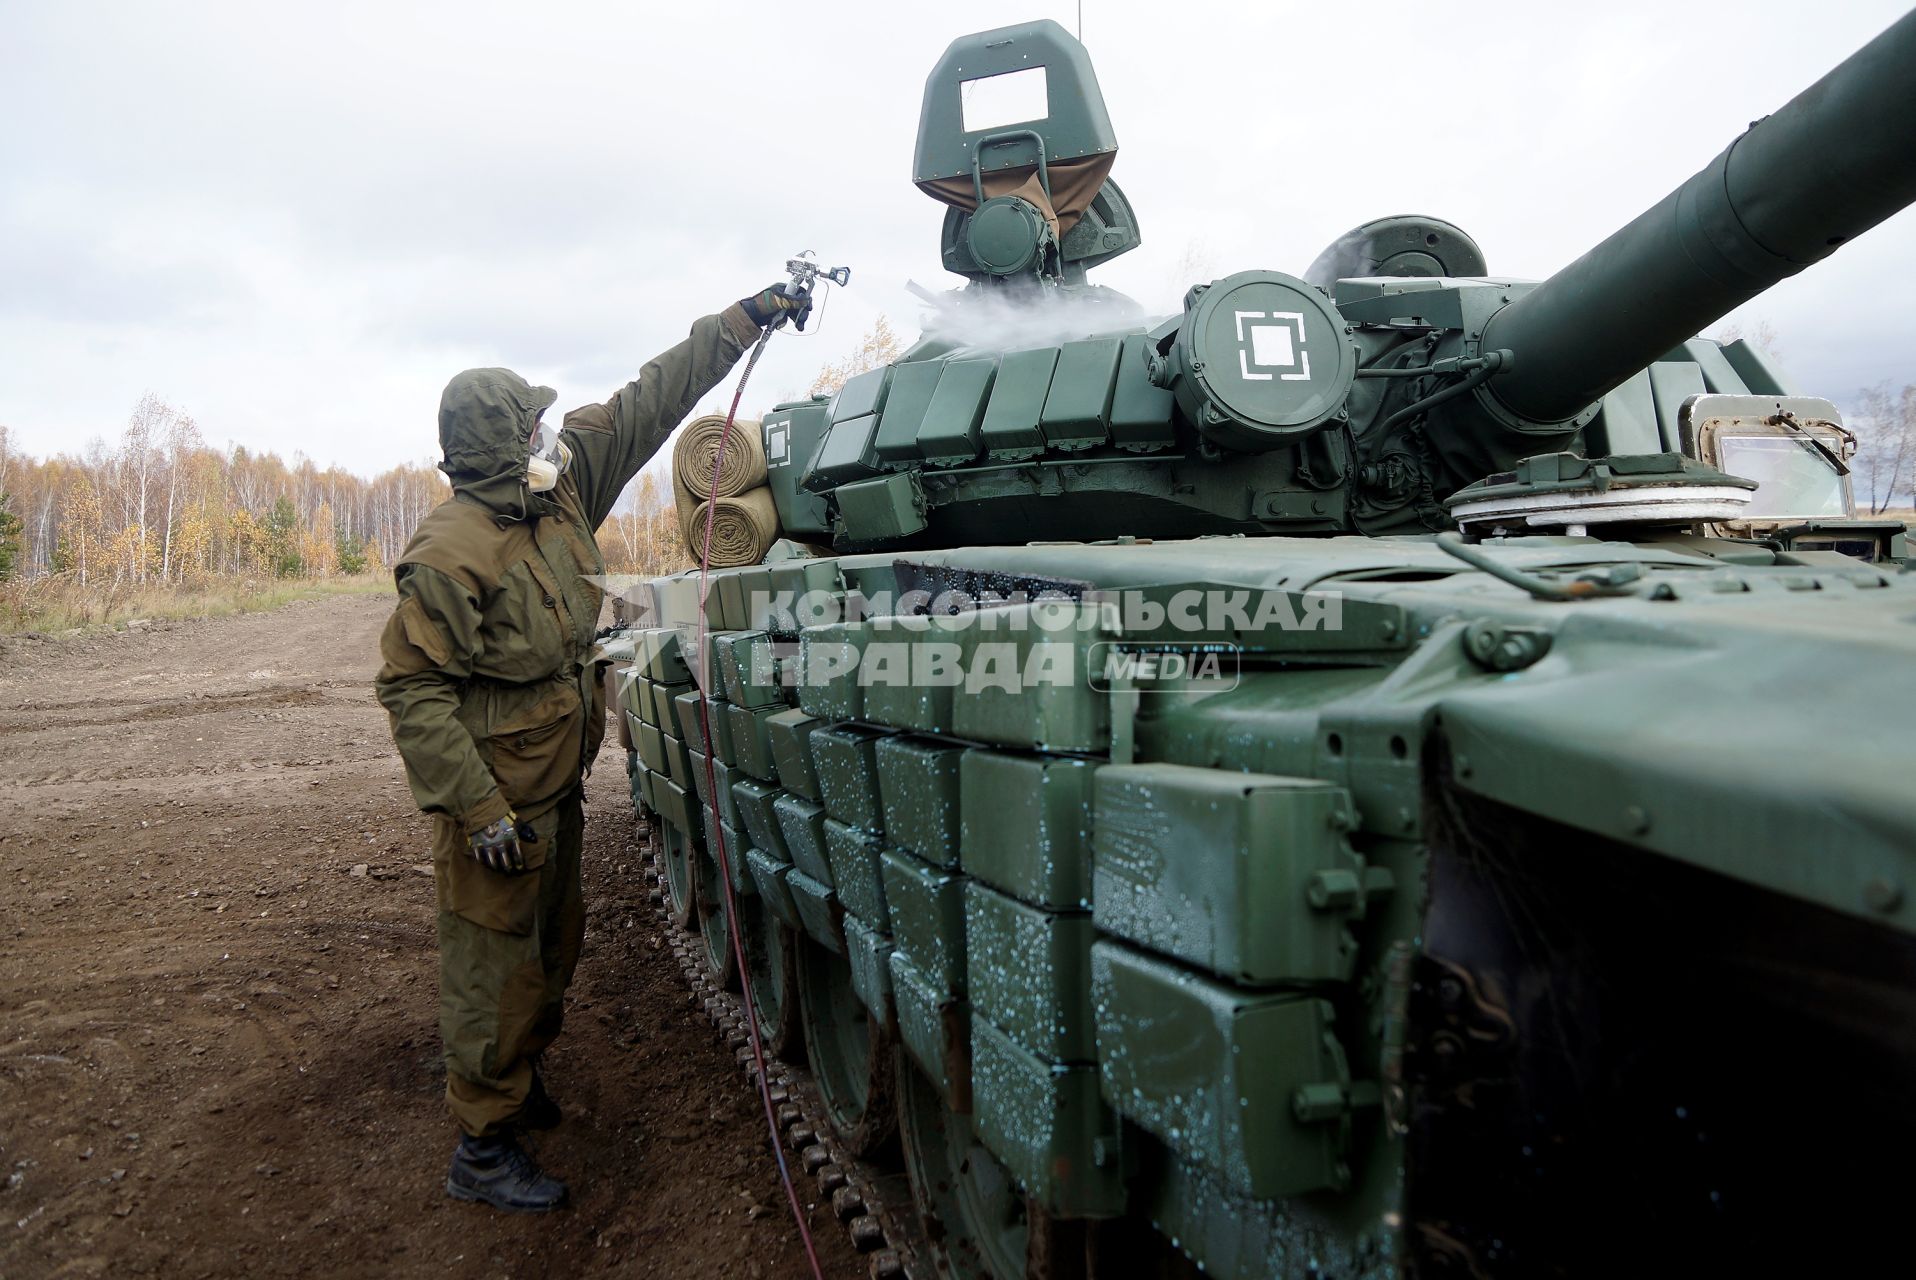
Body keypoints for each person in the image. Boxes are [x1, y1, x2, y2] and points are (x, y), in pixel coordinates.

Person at [375, 284, 811, 1213]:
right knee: (491, 961)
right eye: (529, 426)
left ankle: (518, 1081)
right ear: (499, 448)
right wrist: (477, 808)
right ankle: (481, 1146)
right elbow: (413, 688)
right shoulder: (450, 552)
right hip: (497, 800)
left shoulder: (561, 492)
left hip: (553, 780)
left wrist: (747, 319)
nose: (547, 435)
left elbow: (653, 397)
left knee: (551, 944)